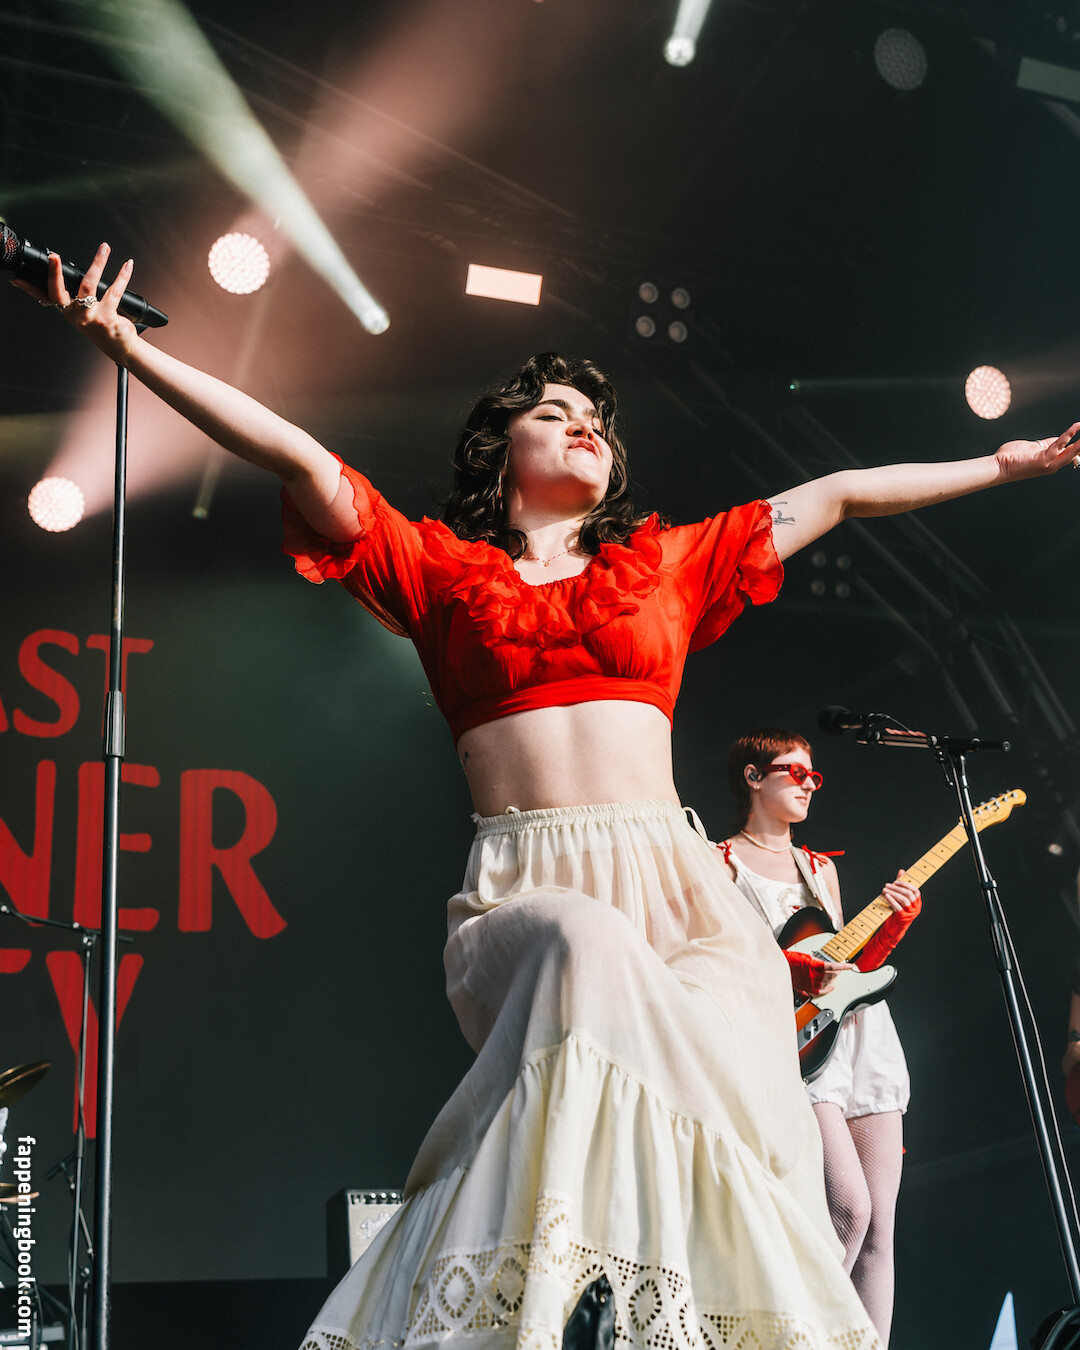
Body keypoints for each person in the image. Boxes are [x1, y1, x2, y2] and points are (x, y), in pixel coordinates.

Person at [12, 246, 1080, 1350]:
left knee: (740, 1061)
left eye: (597, 421)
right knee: (583, 942)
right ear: (500, 450)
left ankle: (649, 1318)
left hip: (678, 892)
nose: (584, 427)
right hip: (531, 889)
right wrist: (125, 346)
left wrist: (1004, 467)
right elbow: (292, 450)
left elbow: (842, 494)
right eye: (553, 413)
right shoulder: (438, 570)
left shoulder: (666, 564)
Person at [718, 729, 921, 1346]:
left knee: (881, 1228)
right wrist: (790, 970)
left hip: (858, 1033)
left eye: (814, 775)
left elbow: (848, 970)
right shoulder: (718, 861)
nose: (809, 784)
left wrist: (891, 929)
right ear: (754, 776)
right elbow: (721, 961)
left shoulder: (819, 869)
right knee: (848, 1210)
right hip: (795, 1045)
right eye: (796, 771)